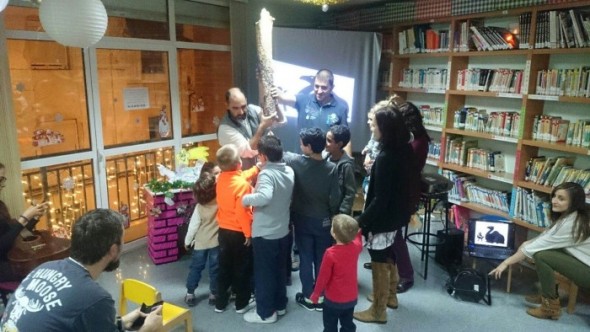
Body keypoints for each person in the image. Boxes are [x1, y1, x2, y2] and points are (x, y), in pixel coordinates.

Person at [0, 209, 163, 331]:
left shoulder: (44, 267)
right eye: (122, 241)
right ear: (113, 250)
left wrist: (121, 322)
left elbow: (67, 319)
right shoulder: (95, 298)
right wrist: (147, 329)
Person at [353, 100, 416, 324]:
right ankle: (391, 296)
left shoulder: (387, 157)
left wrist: (361, 221)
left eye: (374, 125)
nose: (371, 128)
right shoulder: (404, 148)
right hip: (397, 215)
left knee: (379, 260)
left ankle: (378, 310)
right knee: (389, 253)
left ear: (385, 128)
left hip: (384, 218)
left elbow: (380, 198)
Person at [489, 182, 590, 320]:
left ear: (574, 202)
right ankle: (547, 296)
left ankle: (550, 307)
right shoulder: (570, 216)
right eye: (554, 196)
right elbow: (542, 239)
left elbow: (533, 248)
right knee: (539, 252)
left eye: (561, 198)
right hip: (582, 263)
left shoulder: (572, 224)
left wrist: (505, 263)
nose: (554, 201)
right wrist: (524, 245)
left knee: (541, 256)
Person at [283, 127, 341, 312]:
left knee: (305, 258)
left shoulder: (296, 162)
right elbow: (335, 198)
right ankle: (322, 294)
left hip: (302, 220)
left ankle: (309, 296)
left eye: (301, 143)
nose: (300, 146)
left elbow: (281, 154)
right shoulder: (332, 168)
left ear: (308, 147)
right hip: (323, 220)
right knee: (322, 258)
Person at [241, 135, 294, 324]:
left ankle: (265, 313)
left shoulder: (267, 174)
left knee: (264, 274)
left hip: (265, 233)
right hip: (282, 231)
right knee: (279, 271)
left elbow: (264, 197)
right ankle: (279, 305)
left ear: (262, 156)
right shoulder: (288, 170)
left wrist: (246, 198)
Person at [390, 101, 431, 293]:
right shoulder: (410, 138)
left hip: (406, 191)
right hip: (401, 188)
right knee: (389, 230)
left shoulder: (418, 141)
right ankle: (388, 262)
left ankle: (406, 275)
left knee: (395, 233)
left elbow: (408, 167)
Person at [214, 144, 259, 314]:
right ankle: (241, 303)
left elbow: (239, 176)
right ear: (239, 163)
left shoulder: (220, 179)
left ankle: (220, 303)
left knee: (224, 266)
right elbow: (242, 213)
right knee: (242, 267)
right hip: (239, 233)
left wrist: (256, 169)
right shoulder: (243, 186)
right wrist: (248, 234)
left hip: (223, 231)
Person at [272, 69, 351, 155]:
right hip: (302, 158)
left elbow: (345, 138)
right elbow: (282, 98)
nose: (319, 91)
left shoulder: (341, 107)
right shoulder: (303, 100)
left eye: (324, 88)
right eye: (316, 86)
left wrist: (348, 163)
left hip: (325, 161)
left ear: (332, 87)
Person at [310, 214, 362, 332]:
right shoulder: (356, 247)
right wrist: (358, 232)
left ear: (334, 233)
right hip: (351, 297)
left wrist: (316, 293)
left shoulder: (330, 254)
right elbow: (358, 238)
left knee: (330, 326)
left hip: (333, 300)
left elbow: (323, 277)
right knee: (348, 324)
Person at [0, 162, 48, 283]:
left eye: (3, 179)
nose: (3, 185)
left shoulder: (1, 205)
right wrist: (24, 217)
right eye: (0, 179)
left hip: (12, 258)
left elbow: (15, 233)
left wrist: (34, 217)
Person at [217, 87, 285, 170]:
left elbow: (279, 122)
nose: (241, 112)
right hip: (244, 175)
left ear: (246, 100)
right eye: (235, 108)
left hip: (264, 168)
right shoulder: (224, 128)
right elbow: (248, 151)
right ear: (227, 105)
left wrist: (276, 103)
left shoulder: (252, 109)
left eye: (243, 106)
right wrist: (262, 127)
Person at [184, 172, 219, 307]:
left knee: (196, 268)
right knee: (215, 269)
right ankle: (213, 294)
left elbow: (193, 227)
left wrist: (187, 242)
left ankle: (190, 293)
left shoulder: (199, 208)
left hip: (200, 243)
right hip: (216, 242)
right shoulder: (220, 203)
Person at [325, 125, 356, 216]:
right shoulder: (324, 158)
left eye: (329, 141)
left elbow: (350, 193)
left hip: (337, 212)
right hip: (325, 210)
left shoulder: (346, 166)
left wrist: (342, 213)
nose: (325, 143)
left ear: (339, 144)